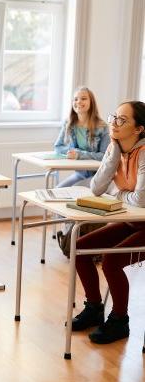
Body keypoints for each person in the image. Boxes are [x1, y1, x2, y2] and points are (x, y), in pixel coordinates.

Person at [71, 100, 145, 344]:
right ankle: (94, 308)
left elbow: (140, 200)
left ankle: (119, 321)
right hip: (132, 220)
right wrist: (113, 155)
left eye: (122, 120)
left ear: (139, 129)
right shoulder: (116, 148)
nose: (114, 123)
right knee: (80, 248)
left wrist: (118, 194)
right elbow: (96, 188)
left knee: (111, 260)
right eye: (114, 117)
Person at [53, 87, 109, 187]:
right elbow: (58, 147)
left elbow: (105, 156)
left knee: (74, 190)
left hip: (99, 175)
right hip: (80, 174)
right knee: (57, 190)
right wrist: (71, 152)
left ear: (91, 102)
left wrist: (79, 154)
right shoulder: (68, 123)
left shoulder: (102, 127)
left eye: (83, 98)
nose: (78, 102)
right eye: (75, 99)